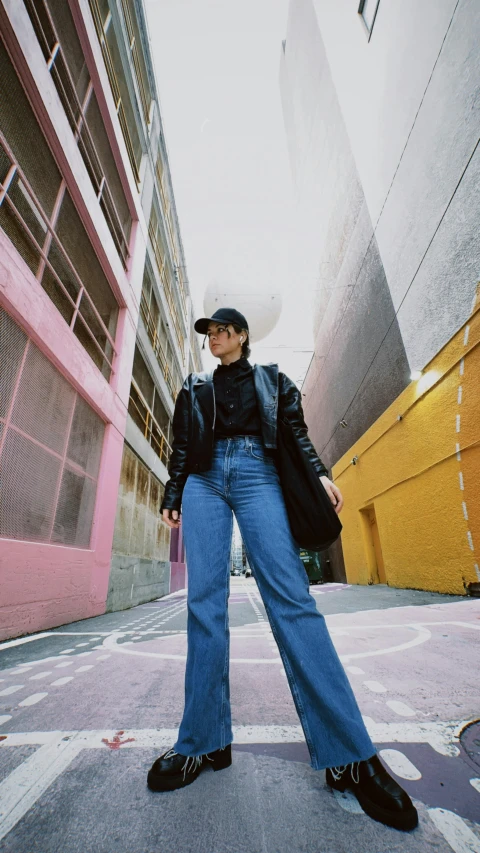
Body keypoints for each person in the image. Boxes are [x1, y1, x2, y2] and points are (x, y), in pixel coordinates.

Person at [147, 308, 418, 832]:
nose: (215, 338)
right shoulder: (193, 385)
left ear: (243, 335)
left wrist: (318, 475)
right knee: (203, 606)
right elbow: (182, 443)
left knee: (294, 602)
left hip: (257, 472)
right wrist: (173, 490)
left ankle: (349, 756)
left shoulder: (272, 380)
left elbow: (295, 431)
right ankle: (203, 743)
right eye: (209, 333)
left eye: (223, 330)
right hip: (203, 480)